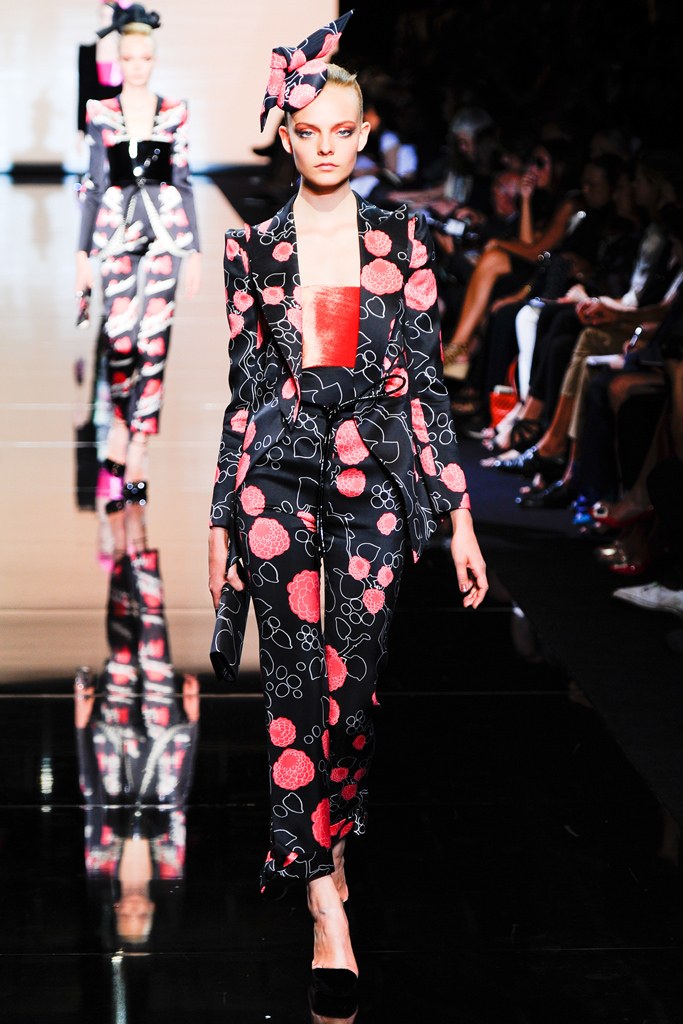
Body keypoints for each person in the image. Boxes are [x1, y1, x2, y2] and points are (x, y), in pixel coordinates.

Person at [206, 12, 488, 1015]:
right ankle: (322, 893)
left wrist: (457, 515)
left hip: (374, 480)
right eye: (308, 131)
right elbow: (245, 390)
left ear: (363, 135)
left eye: (342, 131)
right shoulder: (252, 249)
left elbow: (423, 387)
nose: (325, 147)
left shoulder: (402, 240)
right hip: (276, 479)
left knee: (350, 683)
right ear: (286, 138)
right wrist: (217, 518)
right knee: (291, 681)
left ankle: (330, 829)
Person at [75, 2, 201, 550]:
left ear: (154, 58)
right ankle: (121, 424)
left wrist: (195, 249)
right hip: (115, 236)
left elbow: (184, 179)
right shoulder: (101, 112)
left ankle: (138, 442)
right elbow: (92, 183)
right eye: (128, 58)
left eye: (144, 57)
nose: (137, 65)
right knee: (120, 338)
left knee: (155, 340)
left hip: (167, 236)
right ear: (119, 60)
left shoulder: (175, 111)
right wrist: (81, 252)